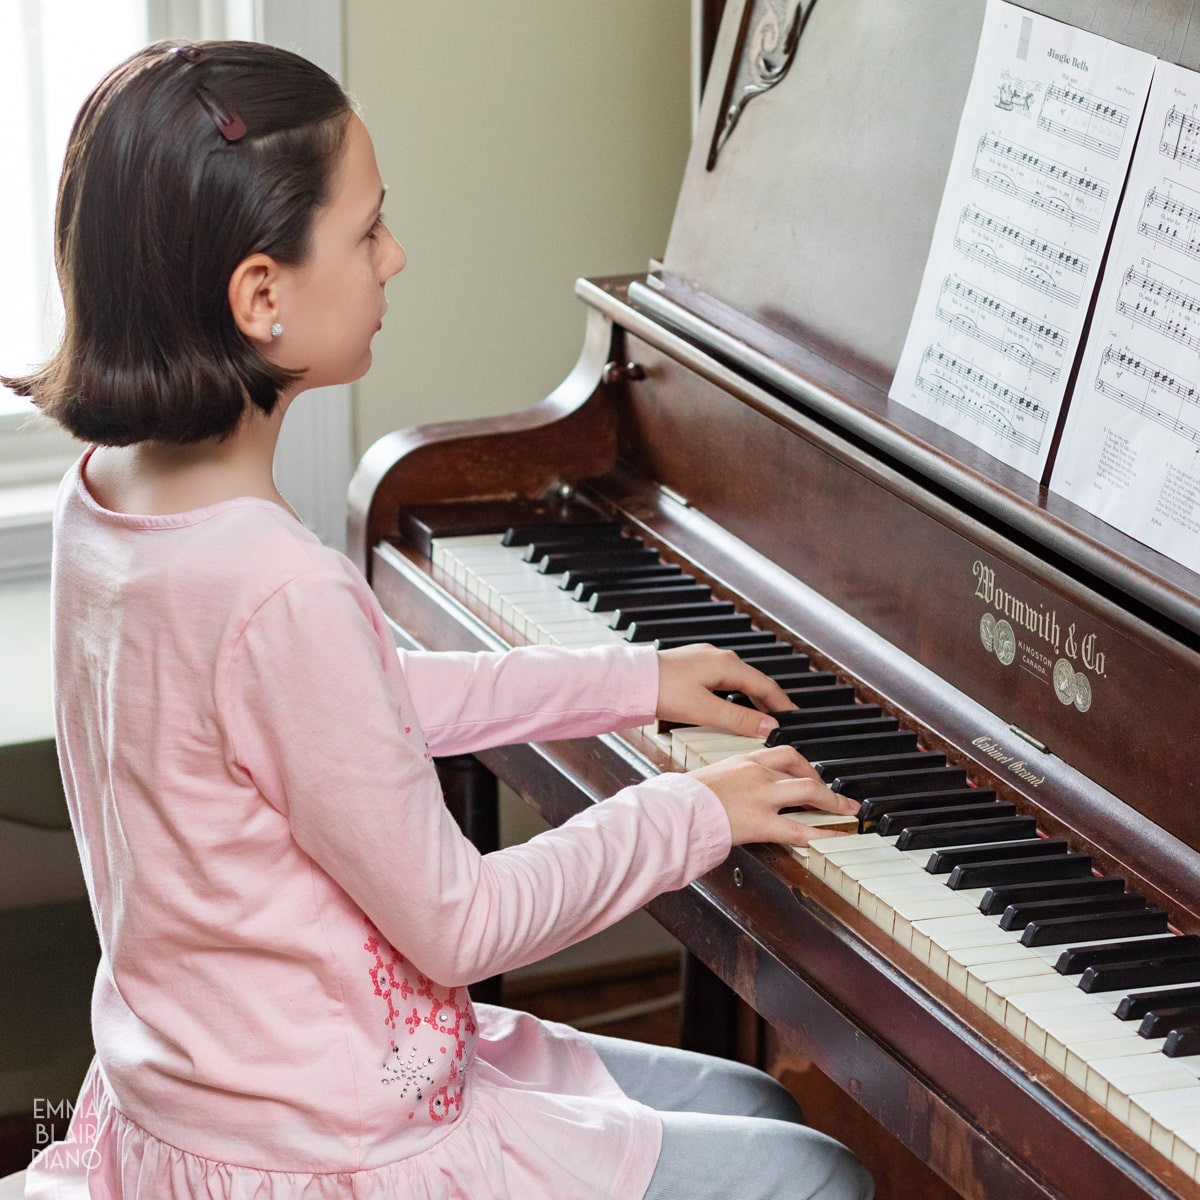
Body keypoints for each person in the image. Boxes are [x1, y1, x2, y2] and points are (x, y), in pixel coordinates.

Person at [4, 40, 873, 1200]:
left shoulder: (108, 496)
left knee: (758, 1100)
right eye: (368, 233)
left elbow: (344, 713)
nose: (395, 258)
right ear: (261, 297)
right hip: (337, 1151)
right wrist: (689, 811)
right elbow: (460, 927)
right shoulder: (275, 587)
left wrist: (628, 680)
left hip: (223, 1098)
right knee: (813, 1177)